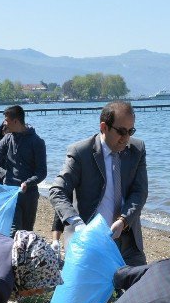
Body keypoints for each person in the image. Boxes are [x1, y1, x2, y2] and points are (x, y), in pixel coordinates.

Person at [50, 100, 148, 266]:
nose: (126, 138)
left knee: (141, 288)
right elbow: (57, 191)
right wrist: (77, 224)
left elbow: (140, 192)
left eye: (130, 131)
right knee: (96, 292)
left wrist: (123, 220)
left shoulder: (137, 149)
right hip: (89, 240)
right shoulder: (81, 152)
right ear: (104, 127)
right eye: (121, 131)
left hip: (128, 240)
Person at [0, 105, 47, 235]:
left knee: (26, 233)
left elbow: (42, 172)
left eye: (6, 120)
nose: (4, 123)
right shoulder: (7, 138)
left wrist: (28, 182)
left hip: (29, 194)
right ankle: (10, 255)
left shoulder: (37, 142)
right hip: (9, 192)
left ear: (16, 121)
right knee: (12, 230)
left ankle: (23, 255)